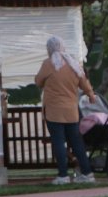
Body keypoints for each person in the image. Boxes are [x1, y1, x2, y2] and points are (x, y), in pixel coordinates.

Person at [34, 36, 97, 185]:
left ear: (49, 49)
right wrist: (90, 94)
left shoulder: (48, 64)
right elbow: (84, 82)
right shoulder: (73, 63)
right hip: (71, 111)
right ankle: (87, 174)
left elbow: (38, 81)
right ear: (63, 47)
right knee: (77, 143)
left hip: (54, 111)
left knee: (59, 143)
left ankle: (63, 176)